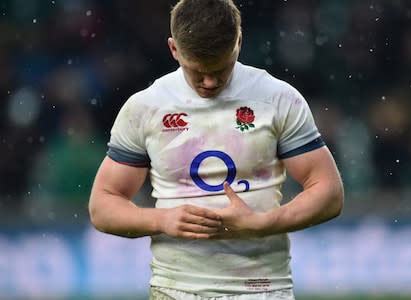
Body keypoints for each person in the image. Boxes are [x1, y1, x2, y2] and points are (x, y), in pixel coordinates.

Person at [88, 0, 344, 299]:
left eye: (221, 69)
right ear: (174, 49)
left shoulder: (277, 99)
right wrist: (161, 220)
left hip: (262, 290)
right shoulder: (146, 108)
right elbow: (102, 205)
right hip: (176, 290)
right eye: (197, 71)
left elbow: (329, 193)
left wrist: (262, 224)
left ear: (238, 42)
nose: (209, 81)